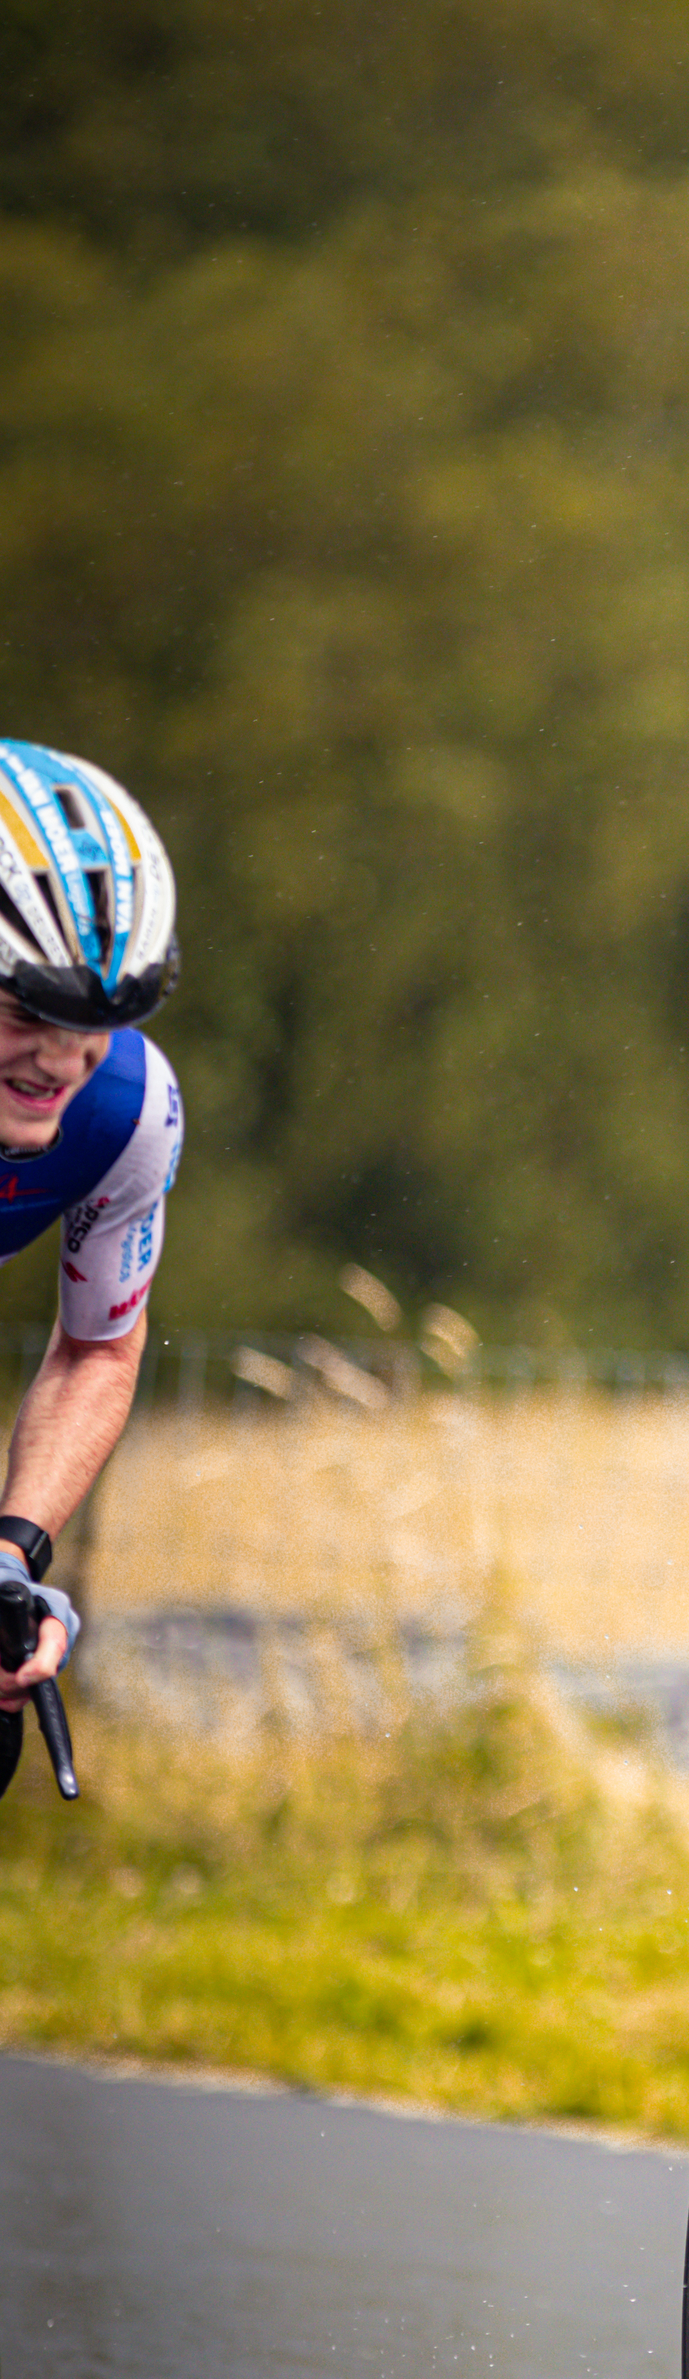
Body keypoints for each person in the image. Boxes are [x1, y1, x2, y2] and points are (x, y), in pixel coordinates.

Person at [0, 742, 183, 1770]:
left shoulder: (124, 1114)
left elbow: (96, 1351)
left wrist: (13, 1552)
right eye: (30, 1011)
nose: (65, 1062)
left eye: (100, 1024)